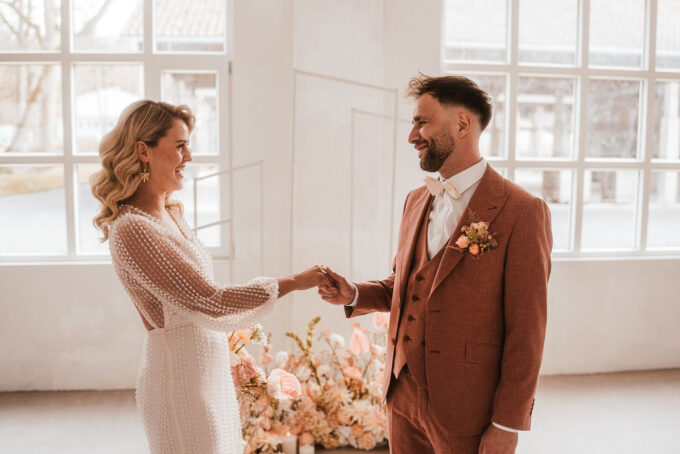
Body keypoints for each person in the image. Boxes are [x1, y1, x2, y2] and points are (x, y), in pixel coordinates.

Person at [318, 74, 553, 454]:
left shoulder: (523, 211)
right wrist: (355, 293)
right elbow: (407, 286)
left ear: (462, 124)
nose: (412, 135)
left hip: (467, 408)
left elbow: (528, 330)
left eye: (421, 122)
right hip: (401, 397)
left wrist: (507, 423)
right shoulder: (415, 200)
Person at [91, 100, 326, 454]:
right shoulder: (132, 228)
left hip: (203, 370)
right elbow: (208, 300)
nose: (189, 157)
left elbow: (194, 307)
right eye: (181, 146)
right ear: (143, 150)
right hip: (178, 378)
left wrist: (229, 352)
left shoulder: (169, 213)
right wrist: (293, 282)